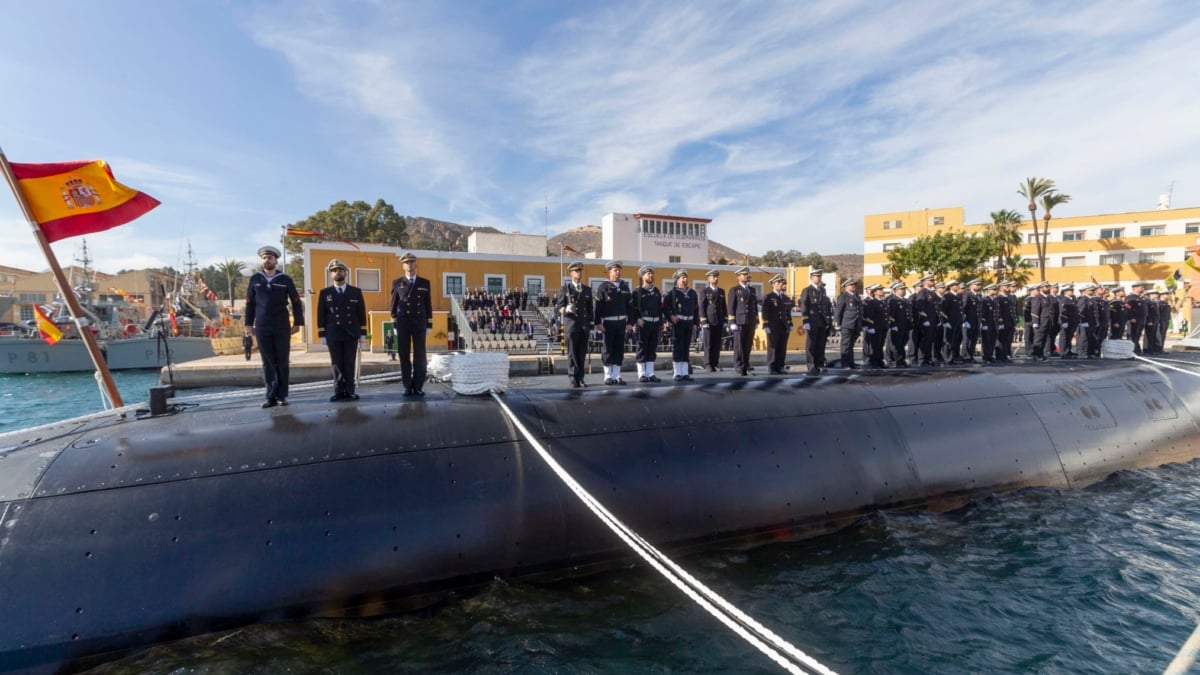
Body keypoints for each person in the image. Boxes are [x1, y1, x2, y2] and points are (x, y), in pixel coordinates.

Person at [244, 245, 304, 408]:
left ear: (275, 260)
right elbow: (249, 303)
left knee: (282, 361)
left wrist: (298, 322)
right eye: (264, 258)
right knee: (267, 361)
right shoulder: (255, 279)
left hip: (281, 326)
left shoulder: (285, 279)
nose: (267, 260)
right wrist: (248, 324)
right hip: (262, 326)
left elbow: (296, 302)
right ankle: (271, 396)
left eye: (270, 258)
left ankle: (282, 395)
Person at [316, 258, 367, 401]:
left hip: (351, 333)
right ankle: (338, 391)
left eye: (340, 270)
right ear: (331, 275)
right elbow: (321, 314)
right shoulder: (325, 293)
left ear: (345, 273)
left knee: (350, 362)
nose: (337, 273)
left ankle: (350, 390)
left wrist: (363, 332)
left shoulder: (355, 291)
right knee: (336, 363)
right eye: (334, 271)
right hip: (333, 333)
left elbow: (361, 313)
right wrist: (322, 334)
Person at [390, 251, 433, 396]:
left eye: (411, 262)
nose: (409, 265)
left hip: (419, 322)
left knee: (420, 356)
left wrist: (429, 324)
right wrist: (394, 324)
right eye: (406, 263)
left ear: (416, 264)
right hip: (403, 323)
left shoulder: (424, 283)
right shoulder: (397, 283)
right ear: (403, 266)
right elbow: (393, 305)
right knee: (404, 355)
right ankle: (408, 386)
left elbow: (428, 305)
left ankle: (418, 386)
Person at [556, 261, 593, 388]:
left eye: (580, 271)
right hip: (571, 325)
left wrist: (591, 325)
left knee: (582, 352)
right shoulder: (565, 289)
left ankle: (581, 377)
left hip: (583, 326)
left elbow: (590, 309)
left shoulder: (587, 289)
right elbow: (559, 307)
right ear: (571, 273)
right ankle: (573, 378)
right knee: (572, 353)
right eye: (576, 271)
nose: (579, 273)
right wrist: (566, 309)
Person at [595, 260, 633, 385]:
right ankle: (607, 376)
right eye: (615, 270)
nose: (618, 272)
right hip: (608, 323)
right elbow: (598, 307)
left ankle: (617, 375)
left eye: (619, 270)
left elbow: (630, 307)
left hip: (621, 322)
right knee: (608, 349)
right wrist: (598, 323)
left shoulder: (624, 287)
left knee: (619, 349)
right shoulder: (603, 287)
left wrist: (630, 322)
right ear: (609, 272)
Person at [664, 269, 700, 381]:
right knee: (678, 347)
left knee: (686, 348)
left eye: (686, 277)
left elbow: (696, 309)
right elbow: (665, 307)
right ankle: (677, 372)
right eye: (682, 277)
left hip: (689, 323)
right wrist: (671, 317)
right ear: (677, 280)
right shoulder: (673, 293)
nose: (685, 279)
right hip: (678, 323)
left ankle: (685, 373)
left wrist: (695, 323)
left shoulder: (692, 293)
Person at [631, 265, 664, 383]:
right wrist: (637, 319)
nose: (650, 275)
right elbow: (633, 308)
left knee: (652, 349)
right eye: (648, 273)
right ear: (642, 276)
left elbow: (660, 308)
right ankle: (641, 374)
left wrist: (661, 321)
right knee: (642, 348)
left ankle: (650, 373)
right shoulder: (638, 291)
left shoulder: (656, 291)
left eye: (651, 273)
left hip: (655, 323)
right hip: (643, 323)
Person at [798, 268, 832, 375]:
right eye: (816, 276)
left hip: (821, 321)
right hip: (812, 321)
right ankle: (811, 365)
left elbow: (825, 306)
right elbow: (804, 305)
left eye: (820, 276)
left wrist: (827, 321)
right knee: (811, 344)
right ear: (812, 278)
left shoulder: (822, 290)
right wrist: (805, 320)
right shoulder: (807, 290)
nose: (818, 278)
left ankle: (819, 364)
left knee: (820, 344)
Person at [728, 266, 759, 376]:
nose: (746, 276)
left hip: (750, 321)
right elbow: (731, 307)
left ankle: (746, 365)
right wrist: (732, 322)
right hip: (739, 321)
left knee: (747, 345)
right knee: (739, 345)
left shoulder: (752, 290)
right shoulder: (735, 290)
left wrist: (756, 320)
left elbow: (754, 306)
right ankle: (739, 366)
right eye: (744, 274)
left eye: (747, 274)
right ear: (738, 277)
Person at [761, 273, 793, 374]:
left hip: (783, 326)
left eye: (781, 282)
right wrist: (766, 325)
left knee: (782, 347)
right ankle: (772, 367)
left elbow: (787, 312)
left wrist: (790, 323)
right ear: (773, 284)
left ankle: (780, 366)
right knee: (773, 347)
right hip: (773, 326)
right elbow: (765, 312)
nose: (780, 284)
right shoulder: (769, 297)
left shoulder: (785, 298)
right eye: (778, 282)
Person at [698, 270, 727, 372]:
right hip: (709, 321)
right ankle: (708, 363)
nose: (716, 278)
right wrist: (703, 321)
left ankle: (715, 363)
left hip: (718, 320)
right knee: (708, 343)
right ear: (708, 278)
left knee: (717, 343)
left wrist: (725, 320)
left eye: (717, 276)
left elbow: (724, 307)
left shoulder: (721, 291)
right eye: (713, 276)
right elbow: (702, 307)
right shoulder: (704, 291)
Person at [833, 278, 862, 369]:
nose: (854, 286)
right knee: (845, 345)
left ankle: (851, 363)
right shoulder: (843, 297)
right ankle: (845, 364)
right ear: (846, 287)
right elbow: (838, 311)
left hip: (856, 324)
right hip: (847, 324)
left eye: (854, 285)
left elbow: (859, 311)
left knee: (851, 345)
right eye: (851, 285)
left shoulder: (857, 296)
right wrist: (836, 324)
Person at [862, 283, 889, 369]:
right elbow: (869, 316)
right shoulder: (872, 302)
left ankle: (879, 361)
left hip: (883, 327)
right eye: (879, 290)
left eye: (882, 289)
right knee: (875, 345)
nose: (882, 291)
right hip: (875, 327)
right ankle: (874, 361)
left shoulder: (883, 301)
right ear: (874, 292)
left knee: (880, 345)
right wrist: (870, 327)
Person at [886, 281, 912, 368]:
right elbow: (890, 314)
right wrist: (893, 325)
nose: (903, 291)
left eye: (903, 289)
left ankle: (901, 360)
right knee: (896, 345)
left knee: (902, 344)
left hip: (905, 326)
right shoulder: (892, 301)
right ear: (895, 290)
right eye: (901, 289)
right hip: (897, 326)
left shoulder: (905, 301)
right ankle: (895, 361)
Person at [962, 279, 982, 362]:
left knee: (974, 339)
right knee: (967, 340)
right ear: (971, 286)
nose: (978, 286)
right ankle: (965, 356)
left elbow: (980, 309)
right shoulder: (967, 295)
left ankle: (970, 355)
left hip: (976, 321)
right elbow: (963, 309)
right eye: (976, 284)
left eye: (979, 285)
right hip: (969, 321)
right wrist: (964, 320)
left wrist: (980, 321)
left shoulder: (979, 296)